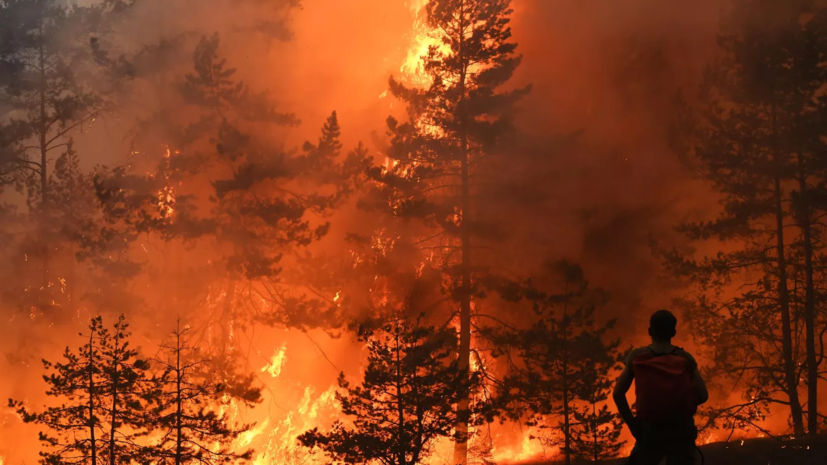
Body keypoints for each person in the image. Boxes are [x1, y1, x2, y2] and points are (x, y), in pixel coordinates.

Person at [613, 309, 709, 465]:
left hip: (650, 430)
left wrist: (634, 426)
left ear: (650, 331)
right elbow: (703, 395)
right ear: (674, 332)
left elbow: (618, 393)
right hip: (682, 430)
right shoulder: (684, 358)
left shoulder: (637, 356)